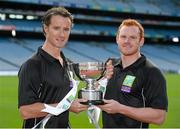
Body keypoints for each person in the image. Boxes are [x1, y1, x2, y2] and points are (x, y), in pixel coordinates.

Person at [18, 7, 113, 128]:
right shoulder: (32, 65)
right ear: (46, 29)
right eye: (56, 28)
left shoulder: (68, 64)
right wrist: (66, 106)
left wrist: (102, 78)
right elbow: (25, 111)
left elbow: (81, 89)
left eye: (66, 29)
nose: (62, 34)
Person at [98, 19, 168, 128]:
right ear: (117, 39)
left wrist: (120, 108)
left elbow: (159, 117)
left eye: (133, 37)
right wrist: (100, 82)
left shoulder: (152, 72)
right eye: (123, 36)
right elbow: (98, 93)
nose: (127, 41)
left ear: (141, 41)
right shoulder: (110, 65)